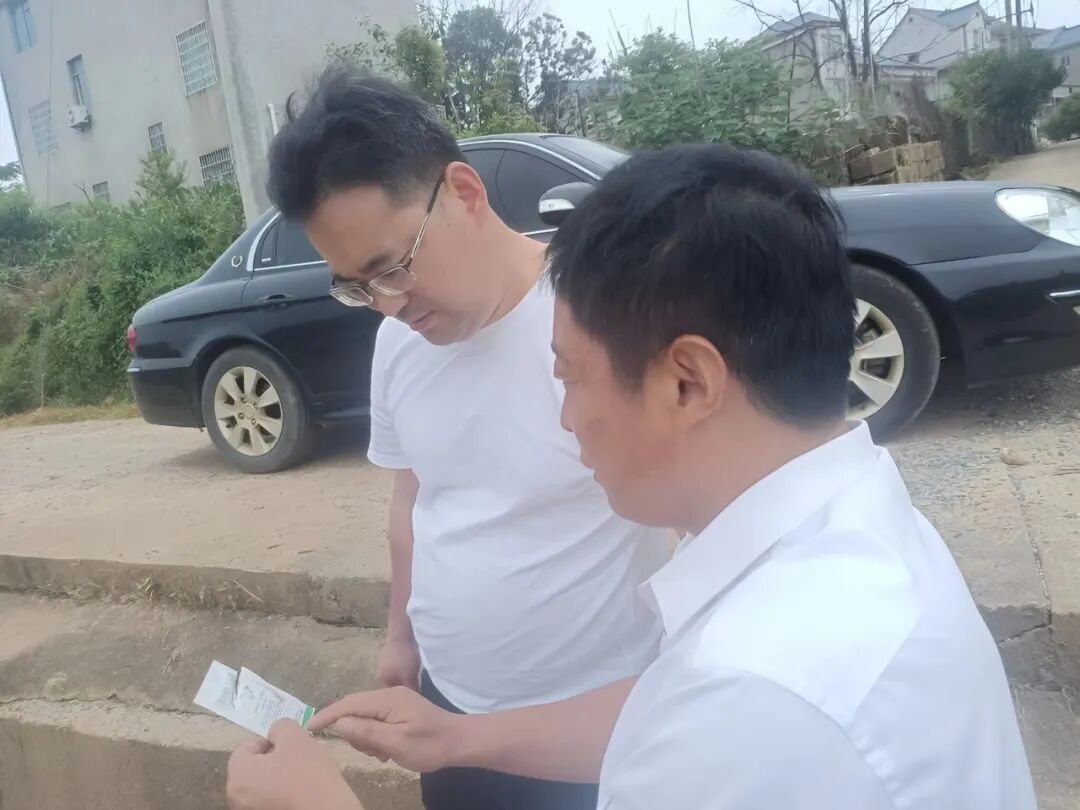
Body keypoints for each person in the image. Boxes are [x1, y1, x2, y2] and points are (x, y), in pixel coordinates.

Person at [228, 142, 1037, 810]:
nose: (566, 417)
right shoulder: (861, 539)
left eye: (571, 376)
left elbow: (698, 717)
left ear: (688, 382)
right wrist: (457, 737)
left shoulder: (747, 701)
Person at [233, 64, 670, 810]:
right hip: (446, 711)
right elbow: (414, 500)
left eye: (393, 267)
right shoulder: (399, 344)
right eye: (357, 286)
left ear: (465, 193)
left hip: (590, 727)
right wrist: (400, 638)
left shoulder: (597, 323)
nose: (387, 304)